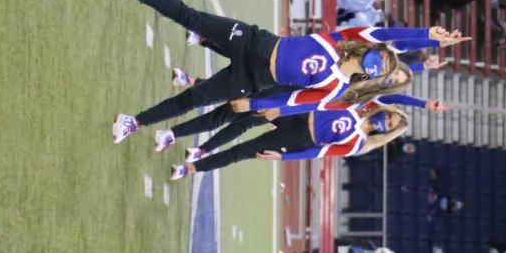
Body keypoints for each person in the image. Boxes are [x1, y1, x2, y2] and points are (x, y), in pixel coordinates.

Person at [109, 0, 458, 142]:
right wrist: (427, 35)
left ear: (371, 78)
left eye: (382, 70)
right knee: (192, 17)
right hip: (255, 42)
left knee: (193, 99)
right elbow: (387, 35)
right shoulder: (338, 41)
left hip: (255, 80)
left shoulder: (336, 87)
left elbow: (297, 101)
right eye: (383, 58)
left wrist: (267, 107)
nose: (380, 64)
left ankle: (134, 122)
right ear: (372, 49)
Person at [167, 104, 409, 180]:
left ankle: (188, 169)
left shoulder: (358, 144)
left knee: (241, 152)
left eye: (390, 124)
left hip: (298, 139)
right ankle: (201, 150)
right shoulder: (358, 107)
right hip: (300, 116)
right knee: (248, 118)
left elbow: (317, 154)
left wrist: (282, 157)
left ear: (388, 132)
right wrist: (282, 109)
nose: (385, 121)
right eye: (389, 115)